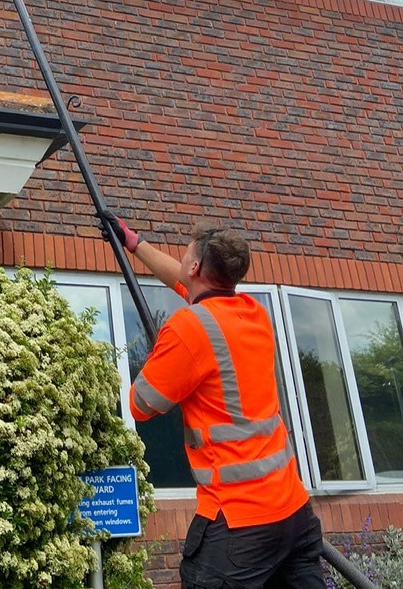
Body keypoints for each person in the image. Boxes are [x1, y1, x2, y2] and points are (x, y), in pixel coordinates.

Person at [100, 212, 325, 589]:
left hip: (239, 526)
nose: (183, 260)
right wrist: (133, 243)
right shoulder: (253, 313)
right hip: (293, 514)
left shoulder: (189, 329)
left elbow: (141, 403)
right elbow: (183, 282)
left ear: (197, 265)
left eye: (186, 254)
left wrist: (168, 359)